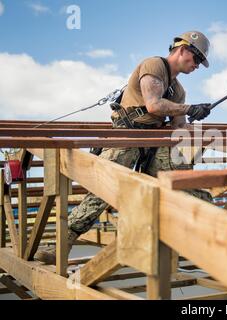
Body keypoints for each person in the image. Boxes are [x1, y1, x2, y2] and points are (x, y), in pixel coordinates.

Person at [35, 31, 213, 265]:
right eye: (197, 59)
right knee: (104, 186)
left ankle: (212, 223)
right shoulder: (154, 66)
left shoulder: (179, 91)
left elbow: (178, 127)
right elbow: (153, 105)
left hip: (153, 142)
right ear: (183, 50)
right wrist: (190, 108)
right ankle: (62, 243)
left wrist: (195, 121)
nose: (198, 66)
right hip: (128, 134)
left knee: (177, 180)